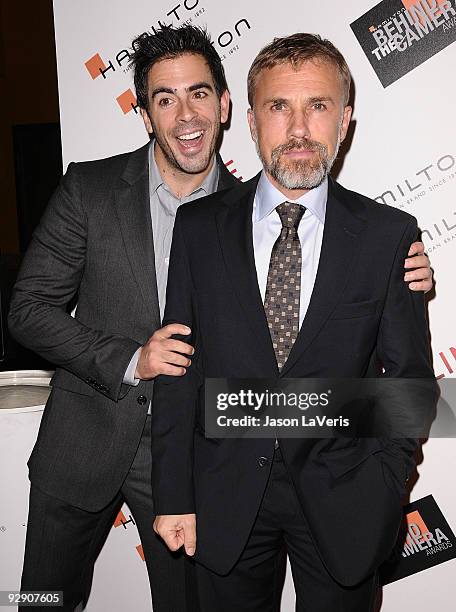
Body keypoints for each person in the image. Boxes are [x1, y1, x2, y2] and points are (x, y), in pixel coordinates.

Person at [151, 33, 436, 611]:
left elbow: (408, 387)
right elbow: (180, 369)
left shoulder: (388, 237)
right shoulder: (198, 228)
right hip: (224, 494)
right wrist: (173, 495)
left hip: (345, 496)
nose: (299, 128)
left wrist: (385, 487)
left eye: (319, 106)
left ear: (346, 120)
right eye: (280, 107)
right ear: (251, 120)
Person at [8, 25, 237, 612]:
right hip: (80, 444)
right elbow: (28, 310)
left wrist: (401, 263)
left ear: (225, 102)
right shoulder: (90, 188)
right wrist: (131, 359)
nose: (185, 114)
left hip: (189, 461)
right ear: (145, 115)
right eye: (165, 98)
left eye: (199, 93)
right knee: (41, 602)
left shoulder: (256, 212)